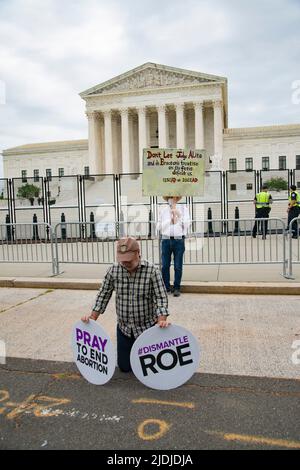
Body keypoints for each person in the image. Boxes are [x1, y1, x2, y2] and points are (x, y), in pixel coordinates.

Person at [81, 237, 170, 373]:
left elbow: (161, 297)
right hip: (124, 329)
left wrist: (161, 321)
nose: (125, 263)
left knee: (149, 368)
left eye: (129, 259)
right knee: (125, 368)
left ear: (138, 253)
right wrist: (93, 318)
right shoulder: (113, 270)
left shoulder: (152, 271)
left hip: (146, 328)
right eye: (122, 259)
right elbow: (103, 294)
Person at [157, 196, 190, 297]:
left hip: (179, 240)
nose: (172, 199)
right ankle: (166, 287)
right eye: (170, 197)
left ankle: (176, 288)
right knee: (165, 266)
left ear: (177, 199)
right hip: (166, 240)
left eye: (174, 197)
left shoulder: (184, 209)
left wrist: (179, 215)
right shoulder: (163, 210)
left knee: (178, 266)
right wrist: (169, 222)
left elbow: (187, 225)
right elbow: (158, 227)